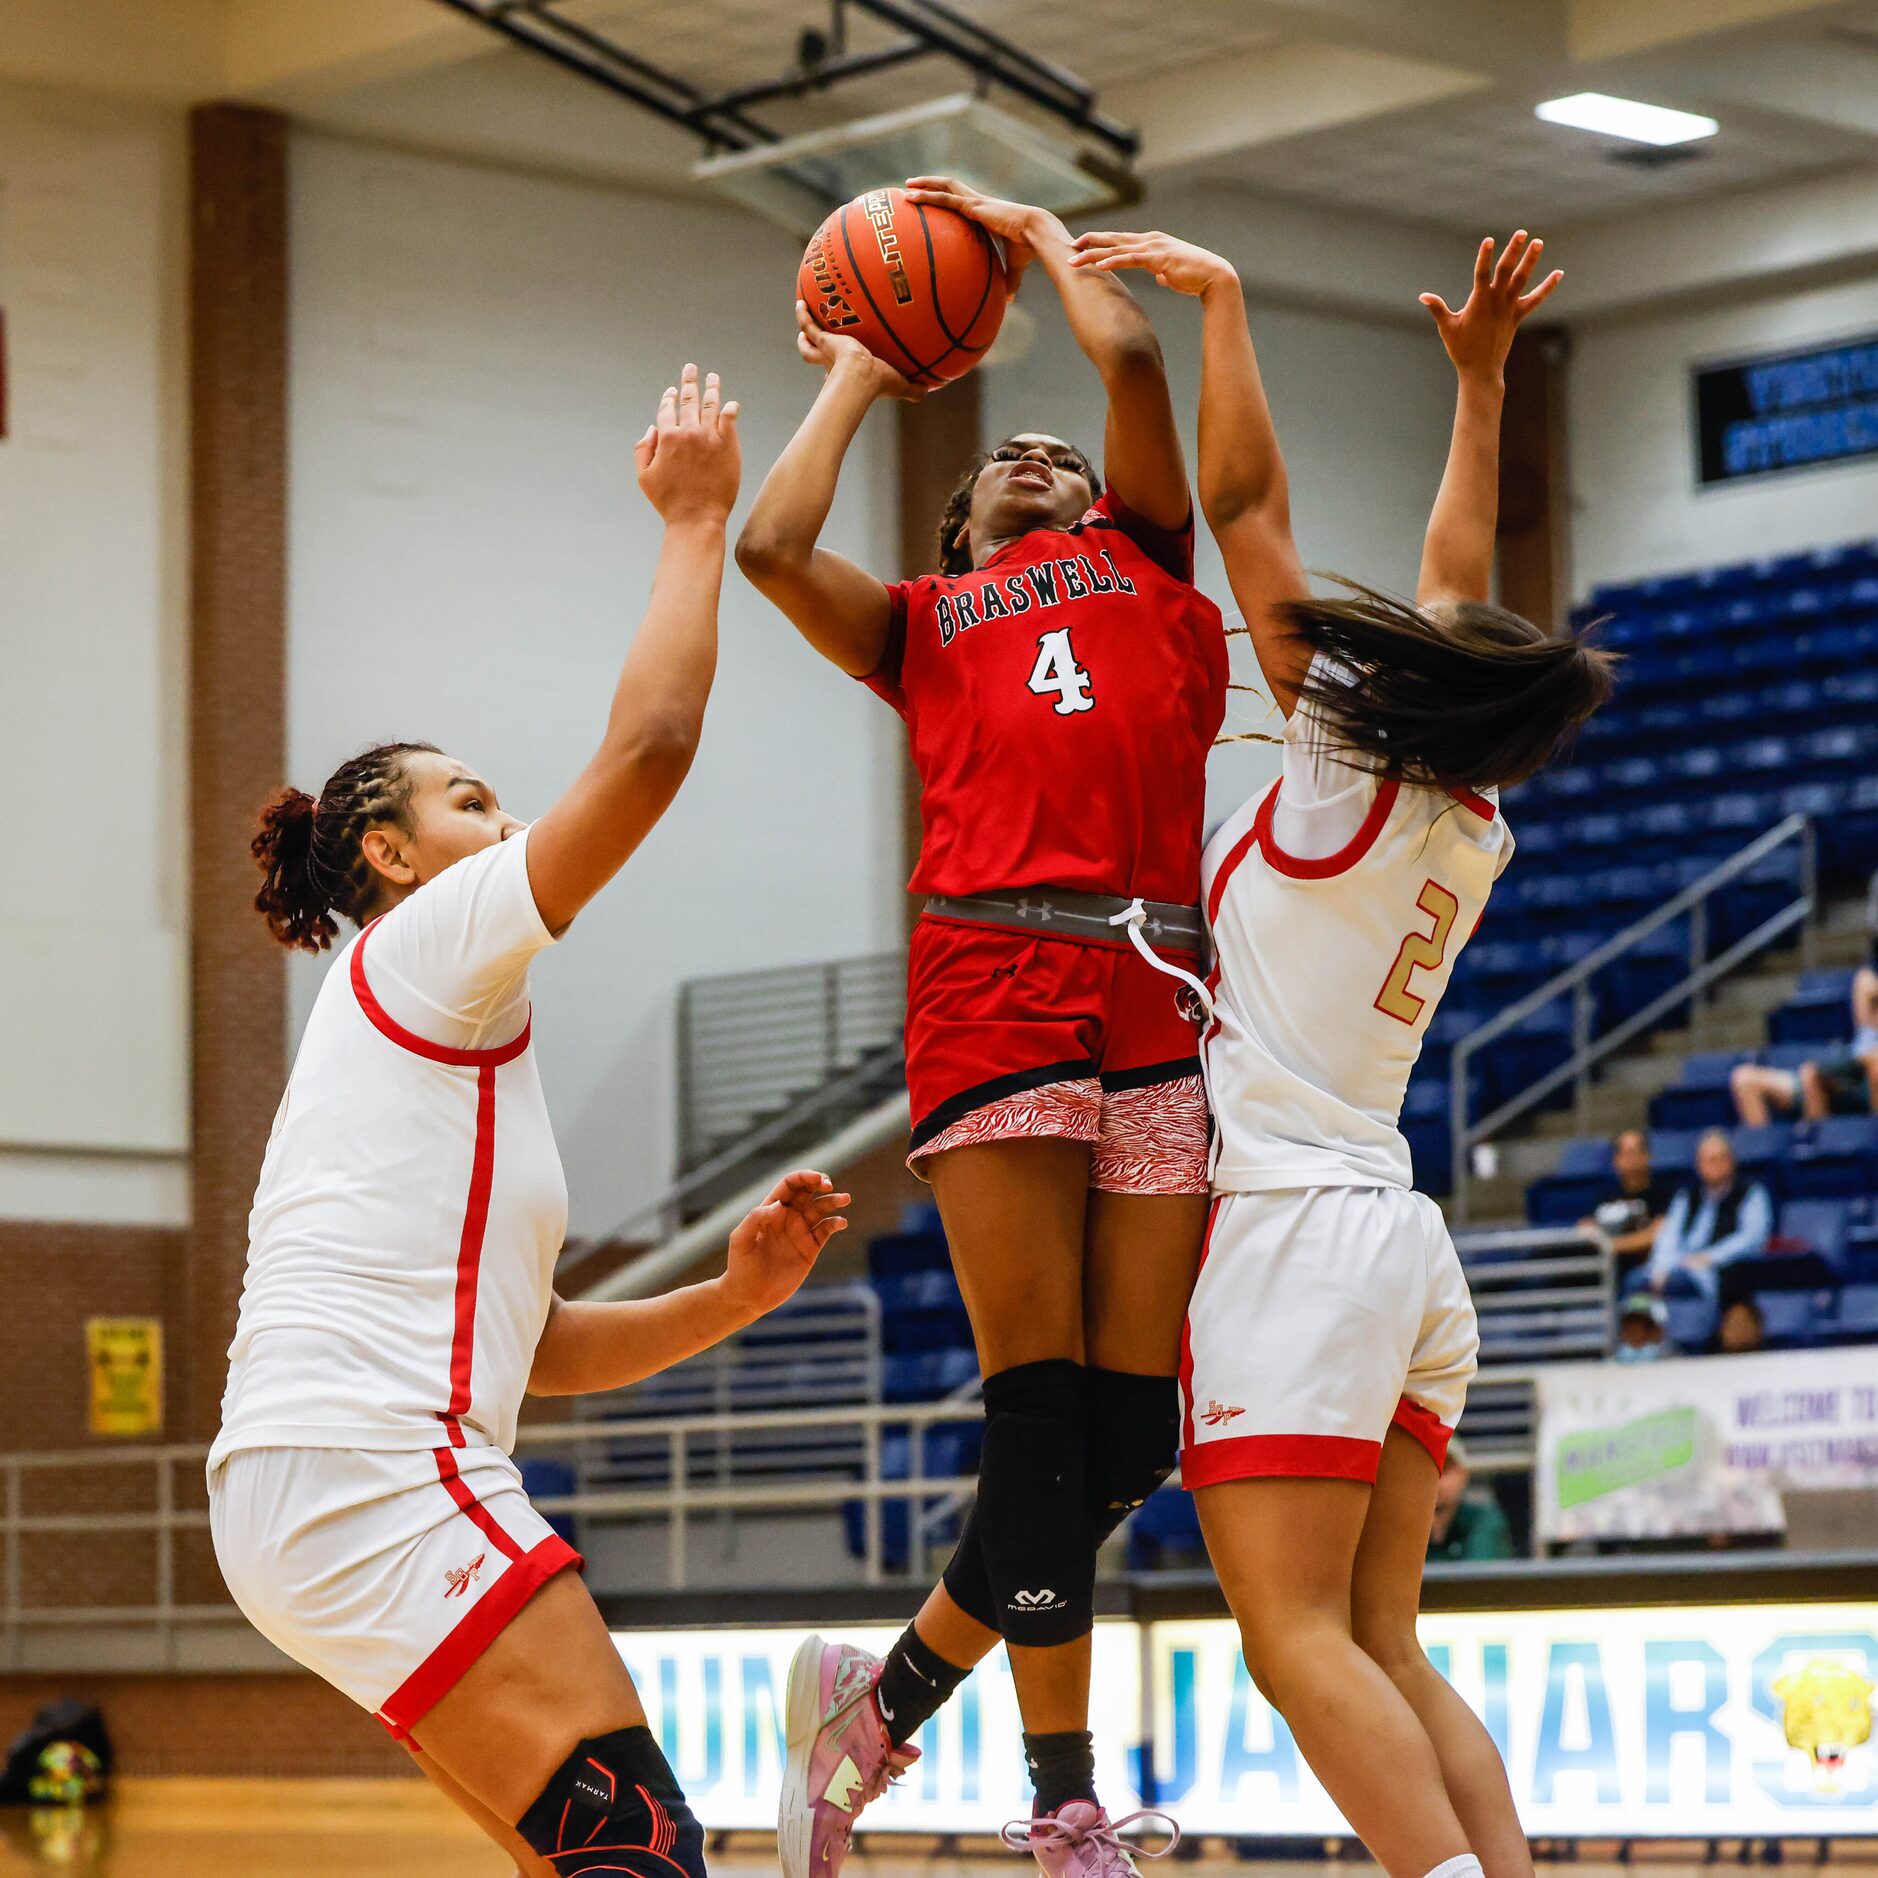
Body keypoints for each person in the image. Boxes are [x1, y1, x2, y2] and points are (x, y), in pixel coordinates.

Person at [207, 369, 851, 1878]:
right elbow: (647, 757)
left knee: (574, 1858)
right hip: (373, 1466)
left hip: (317, 1480)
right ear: (388, 853)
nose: (504, 827)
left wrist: (731, 1295)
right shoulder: (426, 949)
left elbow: (532, 1345)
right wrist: (697, 522)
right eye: (470, 801)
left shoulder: (420, 1025)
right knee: (643, 1852)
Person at [1075, 219, 1598, 1878]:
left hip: (1298, 1229)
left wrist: (1221, 302)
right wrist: (1481, 386)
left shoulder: (1329, 774)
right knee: (1379, 1638)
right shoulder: (1462, 807)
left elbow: (1241, 510)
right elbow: (1452, 586)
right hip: (1396, 1241)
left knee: (1292, 1637)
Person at [739, 176, 1222, 1874]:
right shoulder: (924, 626)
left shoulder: (1148, 570)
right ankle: (1059, 1806)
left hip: (1158, 986)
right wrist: (865, 367)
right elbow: (767, 548)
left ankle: (872, 1715)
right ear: (952, 536)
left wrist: (1027, 235)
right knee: (1035, 1421)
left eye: (1056, 455)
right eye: (998, 457)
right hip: (994, 977)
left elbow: (1134, 373)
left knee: (1126, 1436)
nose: (1034, 451)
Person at [1635, 1129, 1772, 1305]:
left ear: (1732, 1161)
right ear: (1699, 1165)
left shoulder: (1751, 1193)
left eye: (1721, 1158)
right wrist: (1661, 1269)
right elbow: (1668, 1236)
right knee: (1635, 1282)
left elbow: (1752, 1238)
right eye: (1709, 1160)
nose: (1716, 1165)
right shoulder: (1686, 1197)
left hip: (1719, 1273)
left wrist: (1710, 1257)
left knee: (1674, 1286)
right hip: (1678, 1266)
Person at [1730, 967, 1878, 1123]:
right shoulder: (1867, 1021)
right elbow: (1864, 980)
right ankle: (1765, 1145)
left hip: (1857, 1083)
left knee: (1813, 1076)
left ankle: (1820, 1140)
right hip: (1838, 1067)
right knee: (1744, 1078)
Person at [1578, 1129, 1676, 1284]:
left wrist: (1610, 1245)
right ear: (1616, 1160)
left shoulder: (1664, 1193)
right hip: (1604, 1264)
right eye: (1624, 1153)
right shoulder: (1606, 1194)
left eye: (1634, 1152)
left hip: (1641, 1266)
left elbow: (1657, 1234)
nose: (1630, 1159)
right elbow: (1586, 1227)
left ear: (1647, 1157)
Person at [1426, 1441, 1514, 1563]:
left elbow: (1481, 1577)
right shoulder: (1399, 1527)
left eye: (1444, 1468)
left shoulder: (1484, 1520)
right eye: (1424, 1470)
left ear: (1463, 1474)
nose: (1436, 1478)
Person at [1614, 1293, 1675, 1363]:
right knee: (1626, 1354)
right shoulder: (1625, 1351)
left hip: (1649, 1350)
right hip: (1630, 1352)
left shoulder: (1652, 1350)